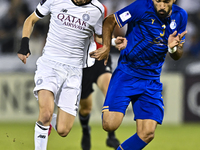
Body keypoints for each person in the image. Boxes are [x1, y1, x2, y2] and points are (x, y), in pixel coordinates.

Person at [90, 0, 188, 150]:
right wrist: (107, 46)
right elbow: (110, 21)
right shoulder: (140, 7)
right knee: (109, 124)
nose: (161, 6)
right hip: (126, 73)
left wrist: (173, 49)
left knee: (147, 133)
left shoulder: (181, 16)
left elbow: (177, 54)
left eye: (166, 2)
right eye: (158, 1)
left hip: (151, 80)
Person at [17, 0, 105, 149]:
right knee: (45, 114)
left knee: (63, 130)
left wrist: (113, 43)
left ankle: (51, 121)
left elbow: (99, 38)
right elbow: (30, 20)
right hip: (50, 65)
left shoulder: (98, 9)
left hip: (74, 71)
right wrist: (24, 44)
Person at [78, 4, 127, 150]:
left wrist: (111, 42)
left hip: (100, 58)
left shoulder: (101, 8)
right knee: (86, 108)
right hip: (82, 63)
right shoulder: (71, 9)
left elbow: (103, 31)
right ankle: (86, 131)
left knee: (109, 91)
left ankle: (111, 136)